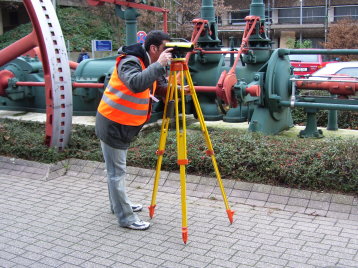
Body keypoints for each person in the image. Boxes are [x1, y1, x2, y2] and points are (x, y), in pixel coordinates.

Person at [95, 30, 172, 230]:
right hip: (113, 124)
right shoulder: (129, 61)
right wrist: (160, 65)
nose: (169, 54)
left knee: (115, 171)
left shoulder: (148, 63)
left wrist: (176, 87)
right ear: (154, 48)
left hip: (123, 124)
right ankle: (126, 218)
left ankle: (118, 206)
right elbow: (136, 83)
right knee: (116, 173)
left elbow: (158, 86)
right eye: (165, 49)